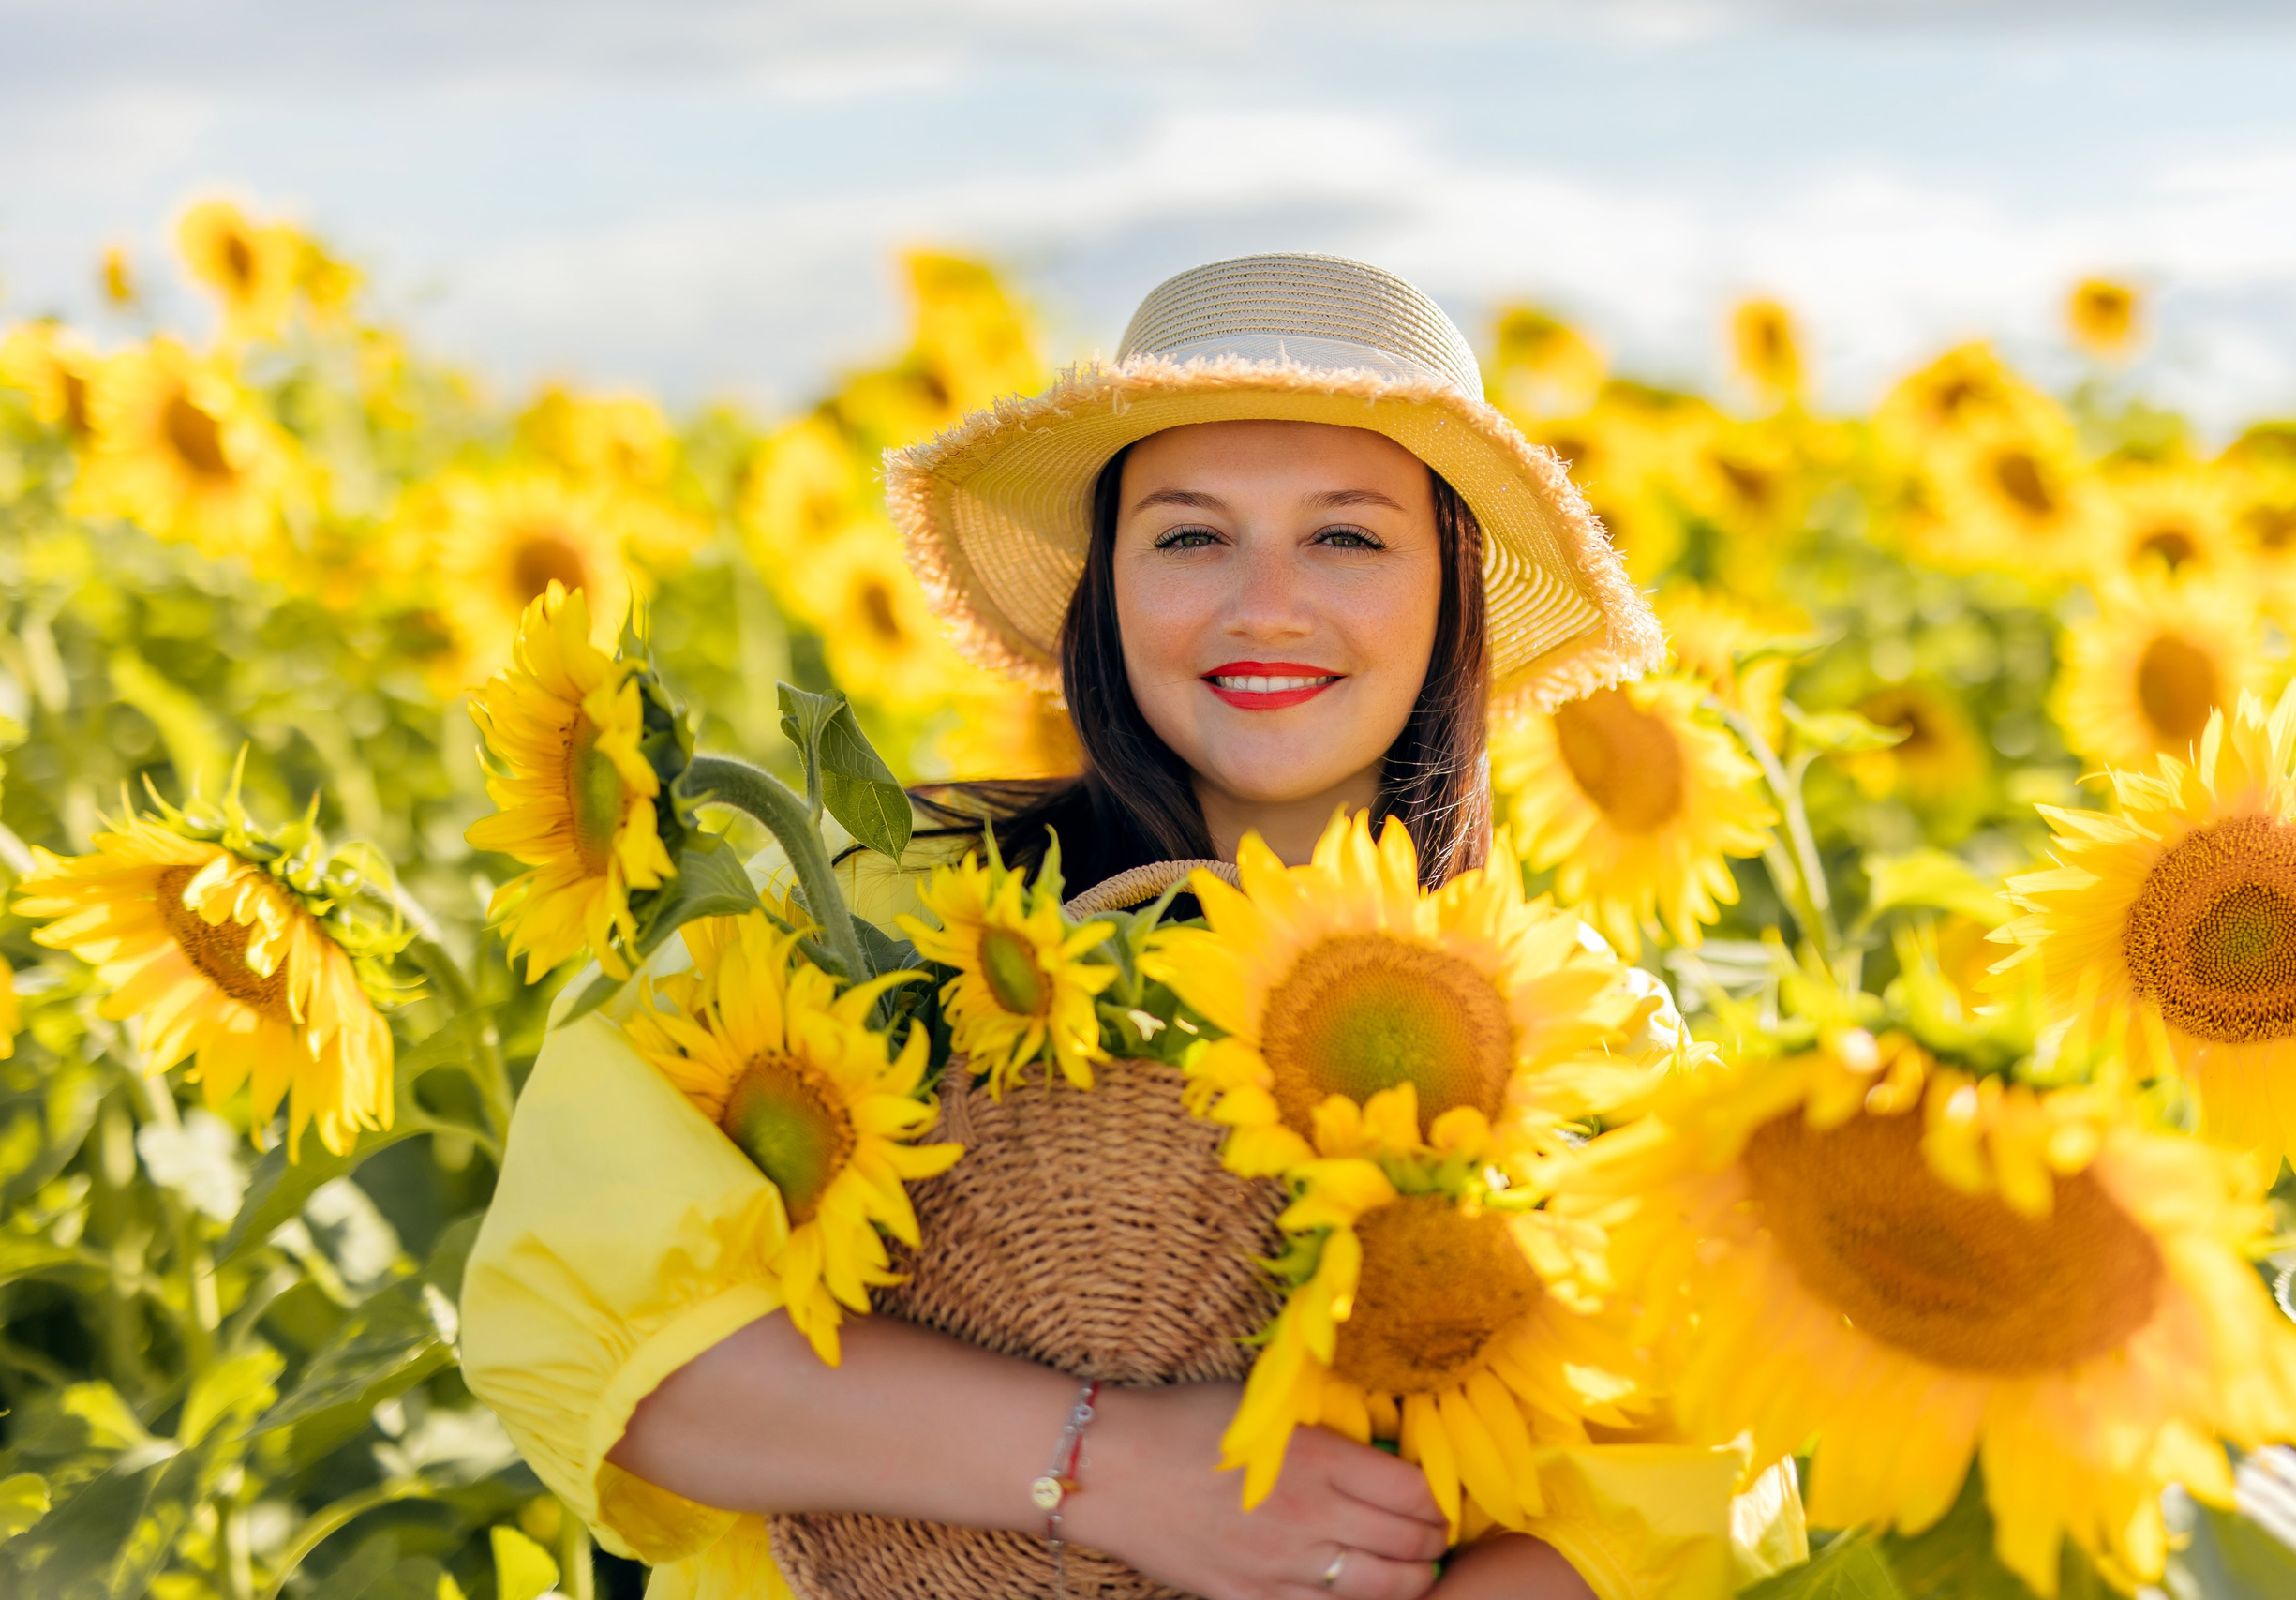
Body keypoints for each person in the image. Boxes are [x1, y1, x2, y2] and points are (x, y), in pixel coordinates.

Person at [461, 255, 1737, 1600]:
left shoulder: (1583, 1047)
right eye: (1189, 536)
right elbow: (597, 1320)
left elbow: (1686, 1476)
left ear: (1451, 590)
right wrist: (1124, 1471)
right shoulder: (857, 911)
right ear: (1106, 587)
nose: (1266, 605)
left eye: (1347, 536)